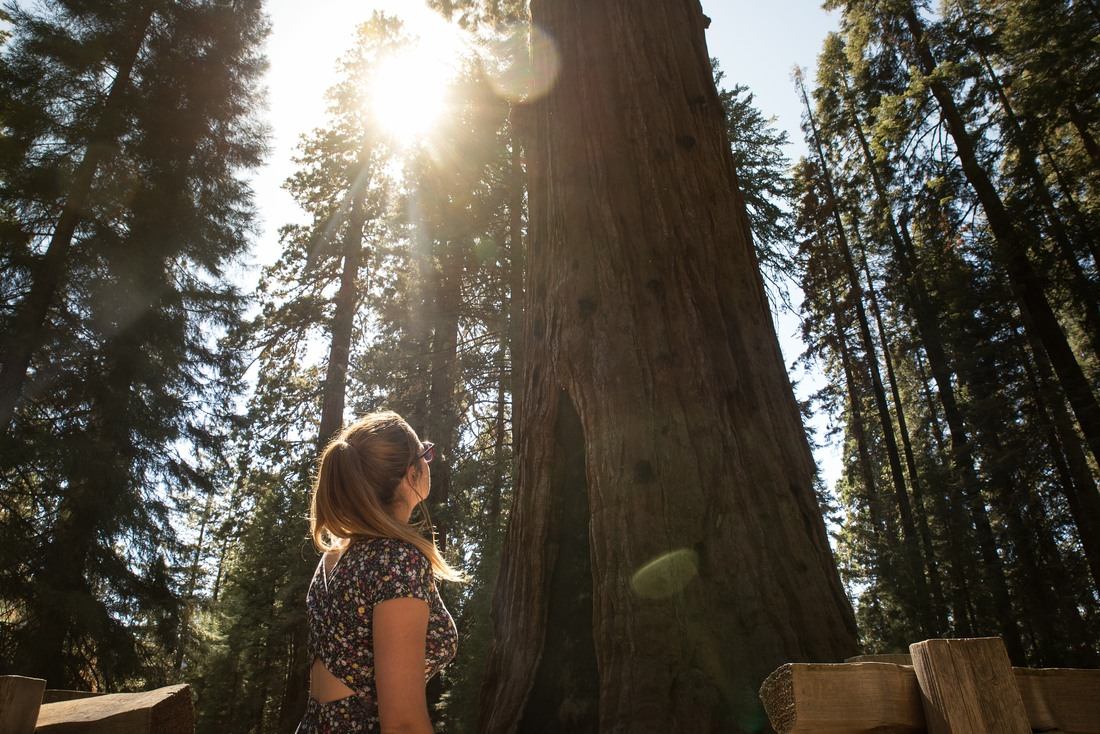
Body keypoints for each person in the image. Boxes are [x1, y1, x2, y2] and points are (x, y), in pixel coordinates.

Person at [297, 411, 462, 734]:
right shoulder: (396, 562)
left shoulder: (335, 558)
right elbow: (403, 724)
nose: (430, 461)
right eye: (425, 454)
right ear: (411, 474)